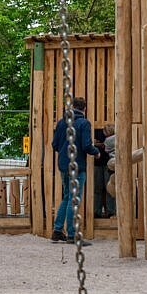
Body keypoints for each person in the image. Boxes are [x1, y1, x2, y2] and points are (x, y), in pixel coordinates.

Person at [51, 96, 99, 241]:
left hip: (63, 165)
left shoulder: (61, 123)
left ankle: (57, 230)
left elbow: (54, 145)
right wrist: (96, 152)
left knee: (66, 197)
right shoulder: (84, 123)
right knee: (74, 199)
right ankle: (72, 234)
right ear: (84, 108)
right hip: (77, 166)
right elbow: (86, 145)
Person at [90, 124, 114, 220]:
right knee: (97, 188)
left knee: (109, 188)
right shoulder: (92, 127)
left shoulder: (109, 126)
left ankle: (110, 211)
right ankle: (97, 212)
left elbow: (105, 145)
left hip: (108, 162)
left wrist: (97, 144)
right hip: (97, 162)